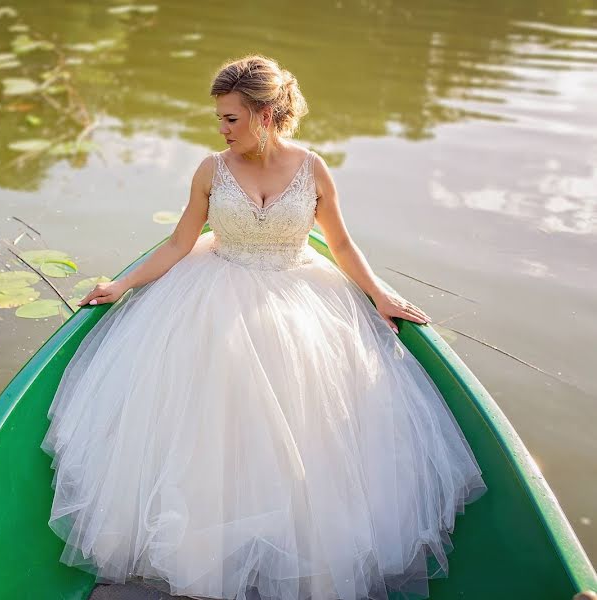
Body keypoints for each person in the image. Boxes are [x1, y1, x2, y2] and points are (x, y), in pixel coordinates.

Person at [40, 54, 487, 600]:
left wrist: (379, 294)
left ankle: (292, 546)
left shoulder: (314, 169)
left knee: (309, 428)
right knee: (214, 414)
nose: (221, 129)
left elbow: (341, 244)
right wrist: (123, 285)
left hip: (301, 297)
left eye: (231, 118)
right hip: (214, 290)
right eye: (221, 118)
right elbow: (180, 243)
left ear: (267, 114)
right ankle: (207, 545)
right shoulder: (211, 169)